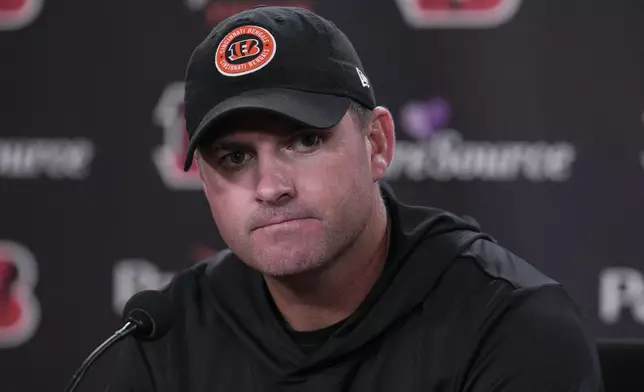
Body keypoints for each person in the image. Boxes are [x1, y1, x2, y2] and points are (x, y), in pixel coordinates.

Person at [107, 6, 604, 392]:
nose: (270, 186)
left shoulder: (508, 327)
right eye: (234, 157)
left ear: (377, 144)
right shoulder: (168, 336)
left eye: (304, 141)